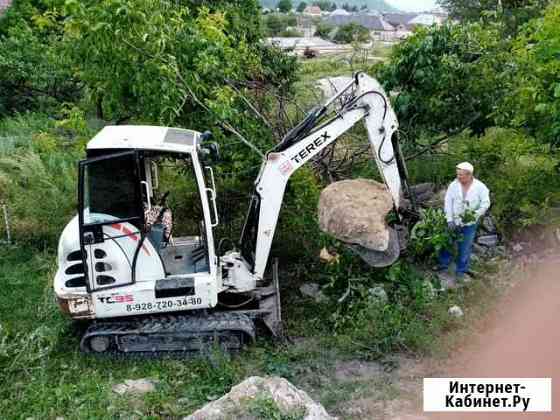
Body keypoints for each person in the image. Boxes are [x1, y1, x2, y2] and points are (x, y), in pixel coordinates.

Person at [438, 162, 490, 283]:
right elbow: (448, 202)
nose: (458, 177)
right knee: (447, 242)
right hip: (454, 221)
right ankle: (443, 264)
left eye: (461, 175)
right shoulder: (454, 185)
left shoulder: (480, 187)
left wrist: (475, 215)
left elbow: (486, 203)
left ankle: (461, 270)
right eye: (457, 174)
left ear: (469, 175)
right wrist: (449, 219)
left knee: (465, 246)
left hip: (470, 223)